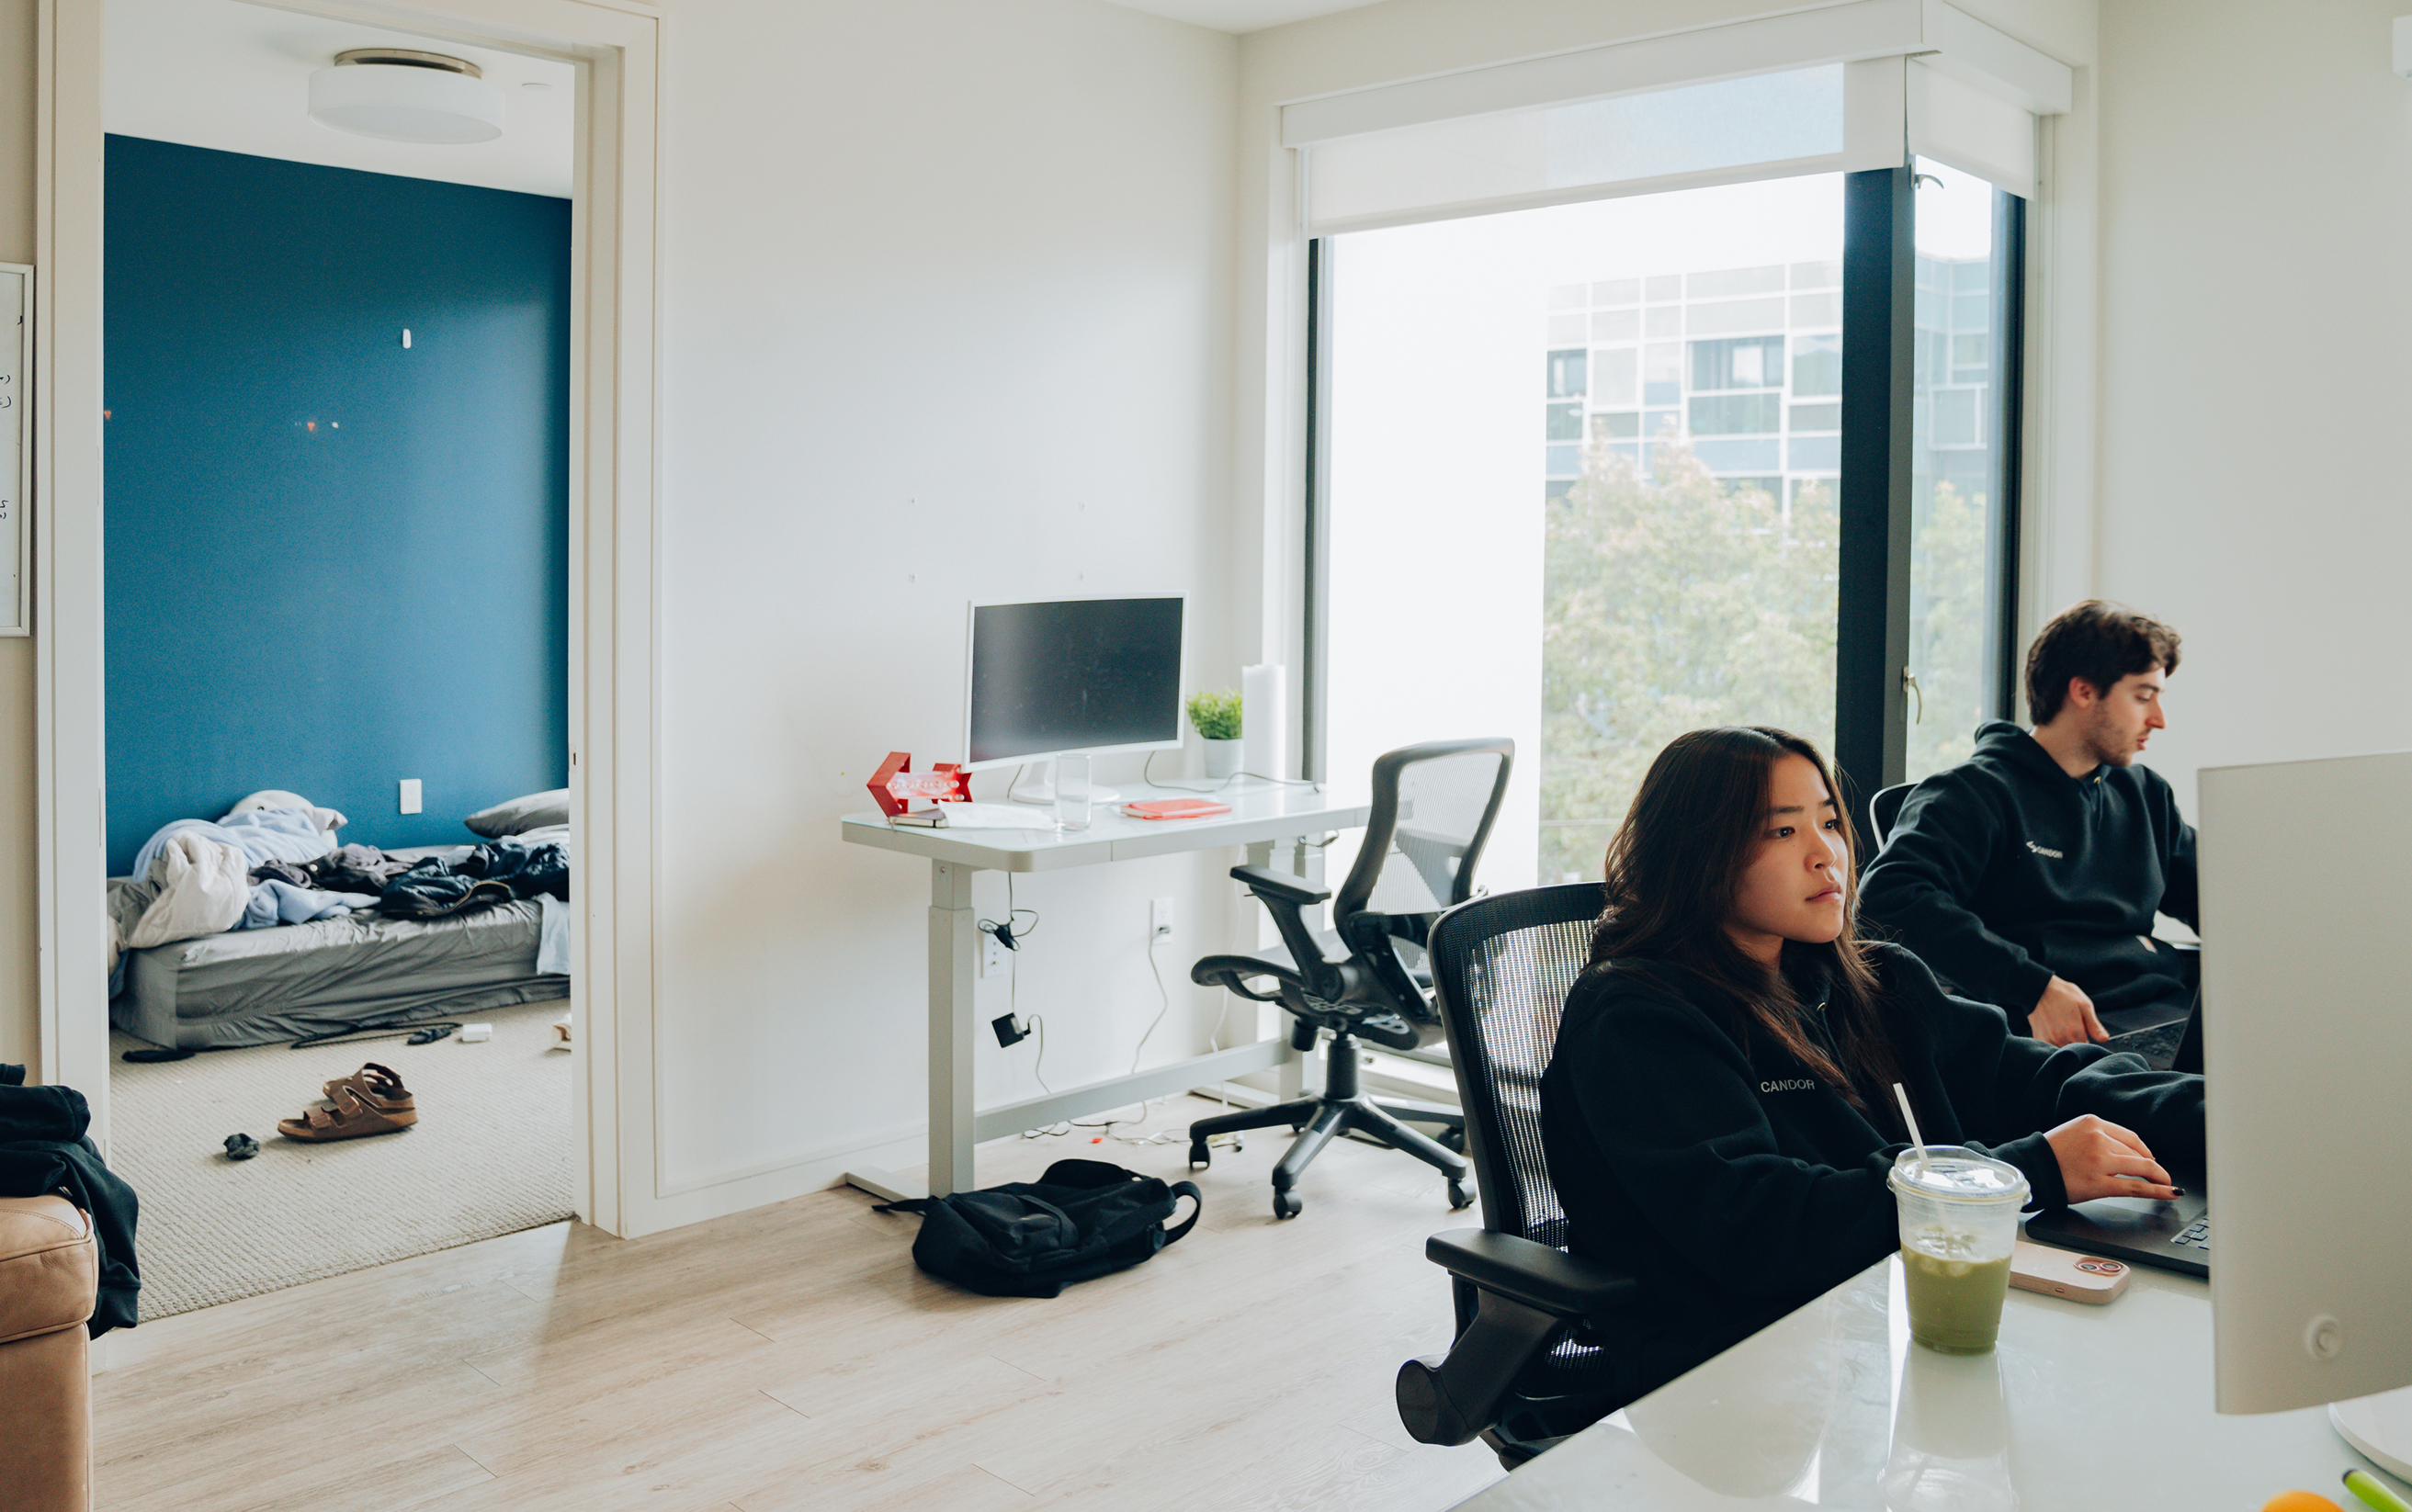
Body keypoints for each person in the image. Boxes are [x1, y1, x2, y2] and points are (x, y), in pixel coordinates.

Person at [1540, 727, 2203, 1405]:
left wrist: (2226, 1119)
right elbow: (1762, 1228)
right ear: (1697, 852)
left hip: (1885, 1330)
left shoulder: (1871, 983)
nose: (1826, 854)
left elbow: (2036, 1080)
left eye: (1829, 822)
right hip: (1737, 1372)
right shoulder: (1638, 1016)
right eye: (1780, 832)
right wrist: (2029, 1172)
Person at [1859, 600, 2196, 1047]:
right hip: (2065, 1037)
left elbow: (2220, 898)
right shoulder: (1971, 794)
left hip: (2165, 1012)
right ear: (2083, 691)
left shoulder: (2146, 794)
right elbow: (1889, 898)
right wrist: (2031, 986)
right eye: (2142, 696)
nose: (2159, 720)